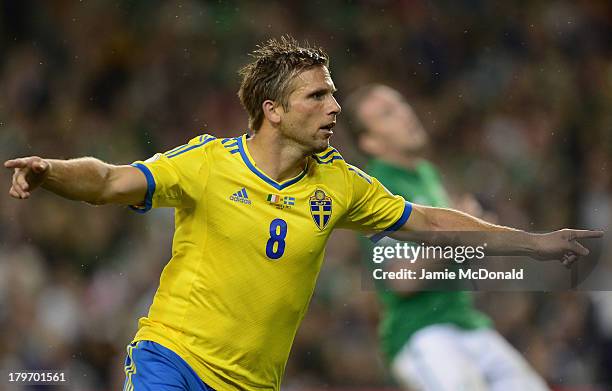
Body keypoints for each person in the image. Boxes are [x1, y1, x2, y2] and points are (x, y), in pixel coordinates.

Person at [4, 36, 601, 391]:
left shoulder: (339, 184)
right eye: (318, 95)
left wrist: (537, 243)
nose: (335, 107)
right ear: (274, 110)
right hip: (172, 359)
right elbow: (110, 180)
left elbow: (429, 222)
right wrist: (51, 171)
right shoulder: (208, 163)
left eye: (335, 94)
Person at [344, 84, 550, 390]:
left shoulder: (428, 175)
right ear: (370, 142)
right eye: (387, 114)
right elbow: (402, 279)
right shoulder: (374, 190)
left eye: (401, 104)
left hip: (466, 322)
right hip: (422, 331)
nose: (405, 115)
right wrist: (457, 234)